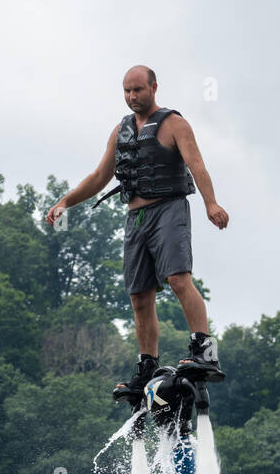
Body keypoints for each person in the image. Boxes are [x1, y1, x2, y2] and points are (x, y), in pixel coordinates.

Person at [46, 65, 229, 402]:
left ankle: (205, 351)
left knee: (178, 279)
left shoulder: (174, 123)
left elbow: (196, 165)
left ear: (153, 88)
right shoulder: (121, 130)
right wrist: (65, 202)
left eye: (138, 90)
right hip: (135, 218)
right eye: (127, 91)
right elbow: (100, 176)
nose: (132, 96)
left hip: (169, 209)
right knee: (139, 297)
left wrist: (211, 204)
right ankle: (147, 367)